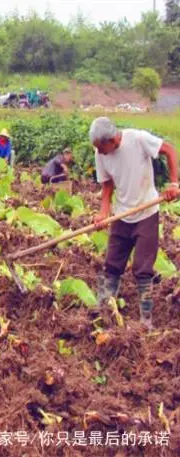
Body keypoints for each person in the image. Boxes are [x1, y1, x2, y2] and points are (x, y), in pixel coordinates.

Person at [90, 117, 180, 330]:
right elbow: (107, 187)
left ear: (111, 140)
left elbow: (169, 150)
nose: (99, 153)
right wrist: (103, 213)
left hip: (147, 212)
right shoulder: (100, 153)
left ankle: (145, 320)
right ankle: (104, 310)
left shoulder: (138, 139)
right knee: (112, 263)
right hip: (122, 215)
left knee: (142, 268)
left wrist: (173, 183)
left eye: (101, 148)